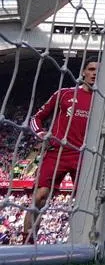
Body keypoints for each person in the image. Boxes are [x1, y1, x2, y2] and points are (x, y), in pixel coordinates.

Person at [21, 60, 98, 243]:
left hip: (84, 155)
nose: (95, 73)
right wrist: (42, 134)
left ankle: (85, 243)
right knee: (40, 197)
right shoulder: (64, 94)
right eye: (91, 69)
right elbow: (36, 118)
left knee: (85, 202)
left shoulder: (103, 101)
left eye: (99, 71)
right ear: (83, 72)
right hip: (57, 152)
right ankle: (27, 242)